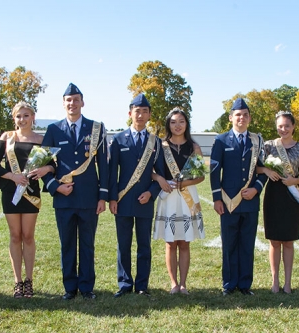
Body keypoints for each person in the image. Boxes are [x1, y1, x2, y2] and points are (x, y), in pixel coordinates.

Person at [41, 83, 109, 300]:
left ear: (82, 102)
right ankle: (70, 287)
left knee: (87, 244)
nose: (72, 104)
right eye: (68, 100)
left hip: (89, 198)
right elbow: (41, 164)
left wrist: (103, 196)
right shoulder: (53, 130)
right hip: (64, 199)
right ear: (63, 103)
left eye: (76, 99)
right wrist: (55, 187)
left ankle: (87, 287)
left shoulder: (96, 128)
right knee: (67, 244)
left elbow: (104, 165)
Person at [0, 102, 52, 298]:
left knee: (28, 236)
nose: (22, 119)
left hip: (31, 193)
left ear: (33, 117)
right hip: (10, 193)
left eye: (26, 115)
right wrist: (12, 177)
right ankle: (17, 282)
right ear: (14, 119)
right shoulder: (7, 138)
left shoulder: (41, 139)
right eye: (18, 116)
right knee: (15, 236)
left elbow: (53, 165)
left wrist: (46, 169)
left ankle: (29, 281)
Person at [210, 98, 268, 296]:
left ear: (249, 118)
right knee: (229, 244)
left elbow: (264, 170)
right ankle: (229, 284)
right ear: (230, 118)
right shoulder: (221, 140)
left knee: (247, 244)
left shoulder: (257, 140)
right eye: (237, 115)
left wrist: (257, 189)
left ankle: (245, 285)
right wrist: (216, 198)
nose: (241, 118)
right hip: (228, 202)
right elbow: (214, 170)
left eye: (245, 115)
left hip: (250, 202)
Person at [109, 94, 163, 298]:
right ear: (130, 113)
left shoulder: (155, 142)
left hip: (144, 201)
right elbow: (112, 171)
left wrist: (151, 193)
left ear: (149, 115)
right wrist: (112, 198)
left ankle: (142, 284)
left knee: (144, 245)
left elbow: (160, 174)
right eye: (136, 111)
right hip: (122, 200)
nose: (140, 115)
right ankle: (124, 284)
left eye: (144, 111)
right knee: (123, 244)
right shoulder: (118, 139)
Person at [152, 108, 206, 295]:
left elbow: (200, 177)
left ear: (186, 124)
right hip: (168, 196)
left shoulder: (194, 147)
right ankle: (173, 283)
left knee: (184, 242)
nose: (177, 125)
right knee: (170, 242)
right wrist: (159, 179)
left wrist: (184, 182)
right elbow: (150, 171)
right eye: (174, 122)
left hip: (187, 196)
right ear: (168, 124)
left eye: (181, 121)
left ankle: (183, 283)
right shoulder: (161, 145)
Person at [258, 111, 299, 294]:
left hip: (292, 194)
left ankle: (287, 283)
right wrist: (266, 170)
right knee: (274, 241)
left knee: (288, 241)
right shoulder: (269, 145)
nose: (283, 129)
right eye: (280, 126)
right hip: (274, 194)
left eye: (287, 125)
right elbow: (256, 167)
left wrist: (293, 181)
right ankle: (275, 281)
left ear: (293, 126)